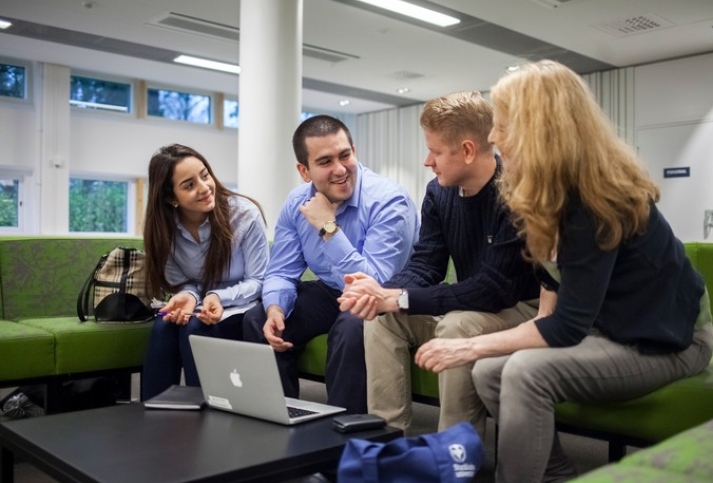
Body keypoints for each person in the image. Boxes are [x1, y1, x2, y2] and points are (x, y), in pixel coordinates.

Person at [413, 60, 713, 482]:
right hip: (608, 330)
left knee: (520, 370)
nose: (494, 137)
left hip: (668, 341)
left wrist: (467, 347)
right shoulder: (541, 192)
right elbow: (550, 295)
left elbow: (568, 327)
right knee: (491, 372)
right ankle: (554, 472)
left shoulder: (596, 199)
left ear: (540, 129)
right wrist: (497, 347)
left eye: (503, 125)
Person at [338, 91, 540, 437]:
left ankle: (455, 453)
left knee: (456, 327)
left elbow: (494, 289)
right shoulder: (438, 192)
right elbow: (426, 264)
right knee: (383, 322)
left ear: (466, 150)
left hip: (520, 309)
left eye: (435, 151)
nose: (427, 161)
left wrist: (401, 298)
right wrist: (381, 293)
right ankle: (389, 441)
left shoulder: (516, 195)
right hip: (470, 306)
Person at [243, 115, 419, 414]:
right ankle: (278, 420)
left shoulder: (389, 200)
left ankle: (340, 438)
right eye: (325, 161)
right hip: (334, 290)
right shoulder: (297, 202)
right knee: (258, 318)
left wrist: (328, 227)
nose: (340, 170)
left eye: (345, 155)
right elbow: (282, 270)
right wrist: (275, 308)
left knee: (352, 326)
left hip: (387, 295)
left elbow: (372, 281)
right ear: (304, 171)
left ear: (355, 151)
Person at [141, 143, 269, 401]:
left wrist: (217, 297)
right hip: (202, 305)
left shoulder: (244, 215)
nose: (204, 188)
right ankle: (152, 414)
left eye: (205, 175)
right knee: (163, 326)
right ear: (170, 198)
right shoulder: (164, 231)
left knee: (195, 327)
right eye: (189, 185)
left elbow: (259, 280)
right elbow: (184, 282)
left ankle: (209, 415)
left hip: (242, 307)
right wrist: (189, 296)